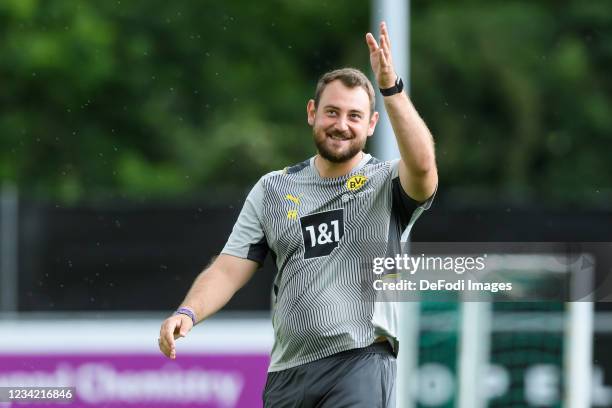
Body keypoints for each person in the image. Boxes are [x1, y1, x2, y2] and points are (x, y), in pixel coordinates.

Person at [159, 21, 437, 407]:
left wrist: (390, 88)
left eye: (355, 116)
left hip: (359, 362)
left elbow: (423, 167)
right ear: (312, 113)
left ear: (372, 124)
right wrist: (188, 313)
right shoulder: (273, 188)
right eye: (332, 112)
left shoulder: (386, 183)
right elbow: (228, 267)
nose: (341, 125)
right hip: (287, 373)